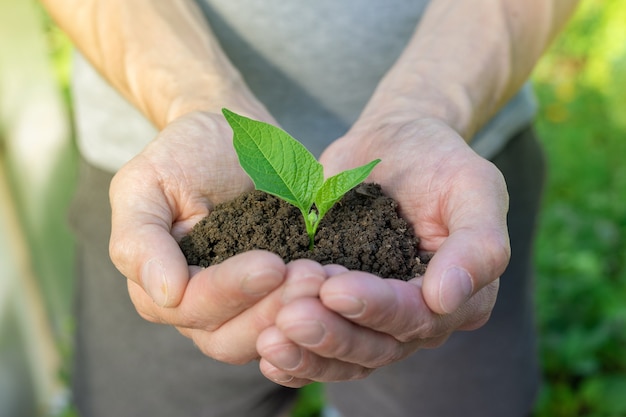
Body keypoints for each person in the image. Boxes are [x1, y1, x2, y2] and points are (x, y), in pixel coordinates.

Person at [41, 1, 578, 416]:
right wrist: (193, 101)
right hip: (179, 188)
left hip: (446, 179)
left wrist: (428, 109)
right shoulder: (184, 196)